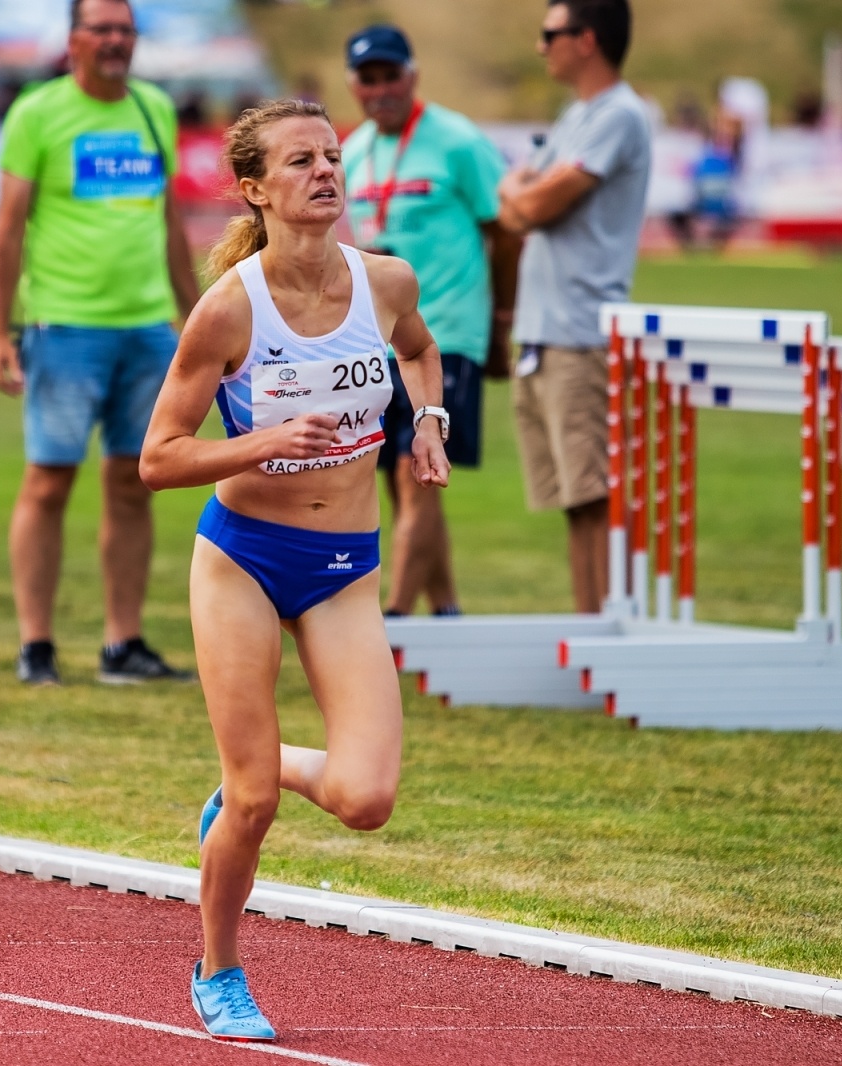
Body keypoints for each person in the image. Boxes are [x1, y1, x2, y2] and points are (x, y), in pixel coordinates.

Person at [139, 99, 450, 1042]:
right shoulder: (230, 308)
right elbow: (158, 457)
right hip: (244, 558)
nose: (325, 172)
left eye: (331, 156)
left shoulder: (386, 283)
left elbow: (422, 353)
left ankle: (250, 772)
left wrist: (427, 419)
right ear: (253, 189)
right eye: (300, 161)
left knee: (366, 799)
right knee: (256, 805)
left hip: (346, 565)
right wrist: (261, 442)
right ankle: (218, 970)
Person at [0, 0, 200, 686]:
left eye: (125, 31)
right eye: (101, 29)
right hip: (65, 326)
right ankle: (37, 646)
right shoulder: (37, 113)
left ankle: (122, 645)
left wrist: (194, 319)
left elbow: (170, 221)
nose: (115, 41)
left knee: (133, 484)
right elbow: (8, 230)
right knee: (49, 482)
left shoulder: (153, 111)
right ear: (73, 40)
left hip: (146, 331)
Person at [340, 24, 520, 617]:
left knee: (418, 475)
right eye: (369, 79)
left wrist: (499, 320)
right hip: (380, 342)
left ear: (412, 76)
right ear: (354, 86)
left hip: (447, 337)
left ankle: (388, 621)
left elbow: (506, 228)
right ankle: (445, 609)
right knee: (399, 480)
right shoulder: (354, 151)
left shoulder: (457, 140)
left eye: (392, 75)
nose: (381, 88)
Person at [496, 0, 651, 613]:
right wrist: (522, 192)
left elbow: (527, 207)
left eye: (550, 34)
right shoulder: (577, 115)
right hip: (544, 333)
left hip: (581, 331)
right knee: (572, 501)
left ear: (586, 40)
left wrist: (521, 190)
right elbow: (513, 202)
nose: (541, 46)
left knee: (595, 497)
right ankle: (593, 634)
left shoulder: (619, 116)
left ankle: (610, 635)